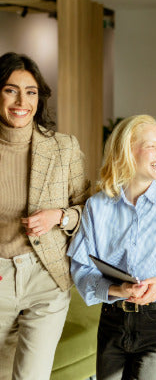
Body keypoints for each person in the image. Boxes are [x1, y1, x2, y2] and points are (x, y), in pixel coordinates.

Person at [68, 114, 156, 380]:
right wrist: (117, 289)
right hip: (112, 320)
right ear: (127, 150)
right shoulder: (97, 206)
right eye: (152, 146)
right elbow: (81, 267)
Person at [0, 52, 90, 380]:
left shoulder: (63, 148)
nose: (21, 100)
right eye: (11, 90)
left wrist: (59, 217)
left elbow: (88, 210)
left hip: (45, 277)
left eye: (31, 91)